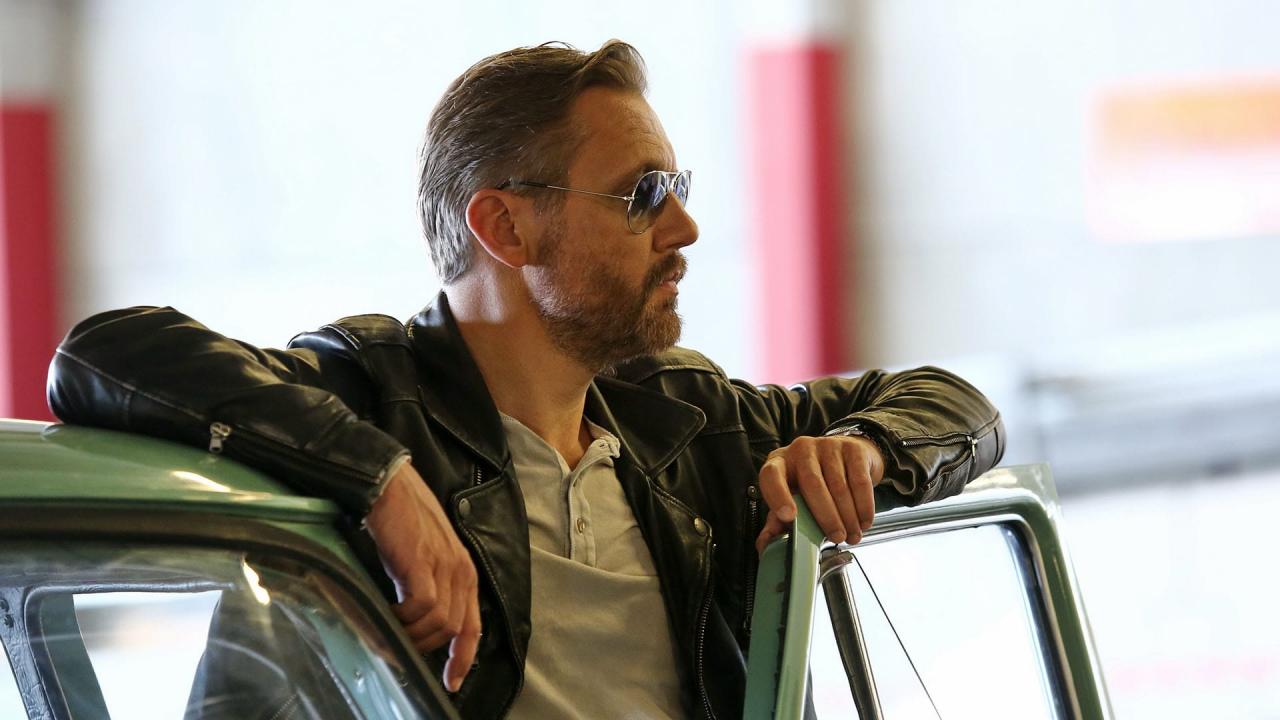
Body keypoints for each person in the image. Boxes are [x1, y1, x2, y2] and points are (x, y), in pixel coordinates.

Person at [47, 40, 1005, 719]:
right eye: (643, 195)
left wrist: (865, 449)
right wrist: (381, 481)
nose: (684, 230)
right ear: (505, 228)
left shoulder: (685, 417)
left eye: (679, 190)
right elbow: (103, 353)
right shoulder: (368, 395)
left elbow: (961, 405)